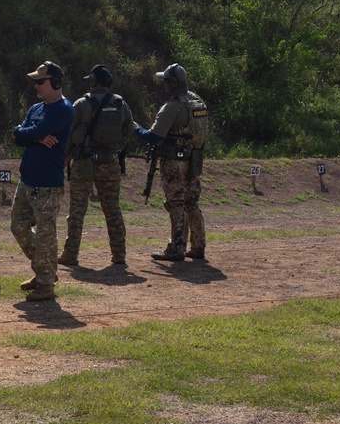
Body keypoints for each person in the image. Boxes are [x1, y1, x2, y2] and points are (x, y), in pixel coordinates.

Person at [11, 61, 74, 301]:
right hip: (28, 179)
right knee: (18, 226)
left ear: (56, 83)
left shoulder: (64, 109)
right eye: (36, 81)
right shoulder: (35, 109)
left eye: (41, 81)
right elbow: (18, 135)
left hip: (47, 183)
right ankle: (45, 270)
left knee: (46, 234)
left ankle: (45, 283)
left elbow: (29, 132)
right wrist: (35, 137)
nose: (36, 86)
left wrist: (31, 135)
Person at [134, 63, 210, 261]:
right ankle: (198, 245)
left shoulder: (173, 107)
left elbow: (154, 136)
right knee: (192, 202)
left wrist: (133, 127)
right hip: (193, 159)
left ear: (171, 83)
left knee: (176, 203)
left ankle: (176, 248)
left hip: (174, 162)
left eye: (165, 81)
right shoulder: (197, 101)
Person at [60, 64, 134, 266]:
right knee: (112, 210)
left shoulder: (82, 103)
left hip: (84, 162)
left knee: (77, 211)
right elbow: (128, 130)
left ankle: (71, 254)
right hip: (110, 161)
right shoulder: (120, 104)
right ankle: (119, 254)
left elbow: (69, 132)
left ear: (93, 81)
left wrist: (65, 155)